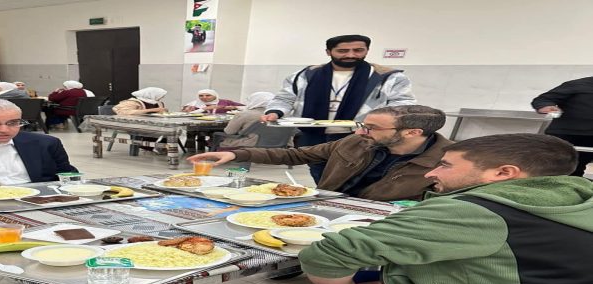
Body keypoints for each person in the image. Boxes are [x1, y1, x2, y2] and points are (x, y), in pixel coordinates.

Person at [255, 133, 593, 284]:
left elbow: (326, 256)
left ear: (504, 173)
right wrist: (388, 283)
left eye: (445, 165)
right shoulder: (579, 201)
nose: (431, 173)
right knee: (372, 275)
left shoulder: (474, 212)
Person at [189, 105, 452, 201]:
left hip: (380, 221)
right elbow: (296, 155)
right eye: (363, 125)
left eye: (371, 128)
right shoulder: (356, 142)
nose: (361, 132)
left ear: (412, 132)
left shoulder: (449, 161)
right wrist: (237, 154)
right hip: (328, 203)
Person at [262, 34, 416, 183]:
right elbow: (284, 98)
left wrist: (379, 121)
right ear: (328, 52)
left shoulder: (388, 77)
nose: (351, 55)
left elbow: (403, 105)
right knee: (321, 177)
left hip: (361, 137)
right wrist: (275, 111)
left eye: (358, 50)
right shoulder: (305, 75)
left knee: (357, 179)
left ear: (367, 51)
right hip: (314, 137)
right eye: (342, 51)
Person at [531, 77, 593, 177]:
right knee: (555, 166)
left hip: (590, 137)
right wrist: (546, 106)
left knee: (579, 165)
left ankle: (574, 183)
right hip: (566, 133)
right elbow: (543, 99)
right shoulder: (578, 84)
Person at [211, 92, 276, 149]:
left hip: (249, 143)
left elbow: (229, 132)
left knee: (218, 136)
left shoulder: (244, 114)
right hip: (275, 143)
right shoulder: (277, 115)